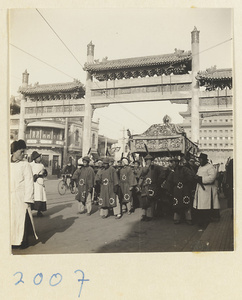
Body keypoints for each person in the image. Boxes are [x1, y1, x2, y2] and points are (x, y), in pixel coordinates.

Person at [10, 140, 38, 249]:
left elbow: (29, 182)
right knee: (11, 219)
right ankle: (12, 240)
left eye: (24, 152)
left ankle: (23, 241)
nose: (23, 154)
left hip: (21, 197)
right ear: (14, 151)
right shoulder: (5, 163)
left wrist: (28, 199)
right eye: (21, 152)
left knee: (22, 219)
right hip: (9, 197)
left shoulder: (25, 164)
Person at [164, 157, 195, 225]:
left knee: (186, 202)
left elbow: (191, 177)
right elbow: (169, 181)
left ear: (176, 162)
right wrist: (168, 190)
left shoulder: (185, 169)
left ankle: (188, 218)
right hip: (176, 190)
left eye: (173, 162)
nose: (172, 164)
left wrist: (185, 181)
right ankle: (177, 218)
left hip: (185, 189)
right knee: (176, 203)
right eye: (171, 162)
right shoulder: (172, 171)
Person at [193, 153, 220, 228]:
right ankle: (201, 222)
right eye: (199, 159)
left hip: (207, 190)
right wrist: (196, 178)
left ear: (205, 160)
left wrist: (201, 179)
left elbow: (212, 177)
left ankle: (206, 222)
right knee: (201, 206)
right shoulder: (200, 167)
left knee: (206, 206)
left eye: (201, 159)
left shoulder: (210, 167)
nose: (199, 160)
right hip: (200, 189)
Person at [139, 154, 161, 221]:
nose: (148, 162)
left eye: (150, 160)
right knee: (144, 201)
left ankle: (149, 215)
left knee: (151, 201)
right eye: (147, 160)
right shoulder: (143, 168)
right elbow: (141, 176)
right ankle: (144, 214)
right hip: (145, 186)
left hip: (153, 187)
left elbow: (161, 175)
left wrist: (158, 183)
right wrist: (139, 185)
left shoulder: (156, 168)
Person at [30, 151, 48, 217]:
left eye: (39, 157)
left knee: (41, 195)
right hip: (34, 182)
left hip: (40, 182)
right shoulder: (31, 165)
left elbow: (45, 173)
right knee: (34, 196)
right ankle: (31, 211)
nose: (39, 158)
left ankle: (39, 211)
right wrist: (34, 176)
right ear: (35, 158)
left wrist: (43, 174)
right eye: (38, 157)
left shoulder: (42, 165)